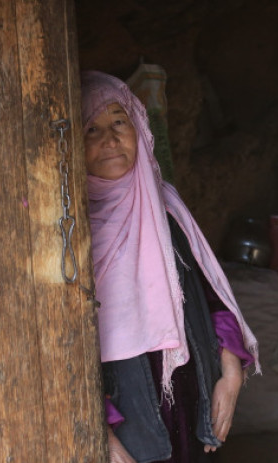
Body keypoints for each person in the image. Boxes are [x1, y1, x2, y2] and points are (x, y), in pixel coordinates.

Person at [81, 70, 260, 463]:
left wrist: (230, 374)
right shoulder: (72, 232)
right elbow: (65, 347)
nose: (109, 139)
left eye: (118, 121)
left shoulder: (168, 213)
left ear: (139, 128)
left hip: (190, 403)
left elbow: (214, 303)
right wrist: (99, 432)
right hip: (124, 418)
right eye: (91, 129)